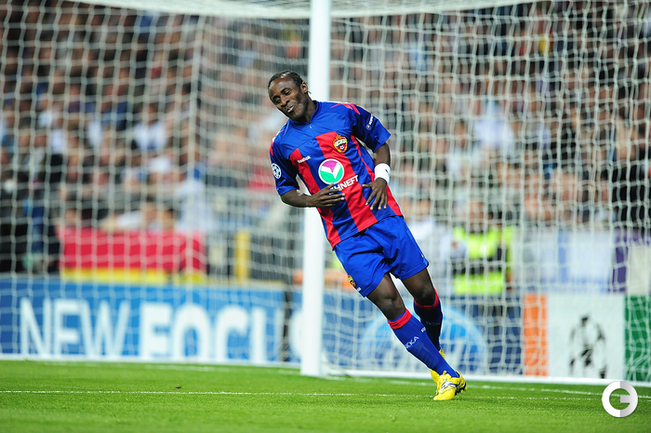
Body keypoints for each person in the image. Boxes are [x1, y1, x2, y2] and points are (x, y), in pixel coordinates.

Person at [267, 70, 466, 400]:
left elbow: (380, 143)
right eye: (277, 100)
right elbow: (285, 190)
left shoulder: (344, 112)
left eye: (287, 93)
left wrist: (381, 178)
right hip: (346, 237)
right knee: (389, 302)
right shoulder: (281, 144)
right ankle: (446, 374)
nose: (284, 102)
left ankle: (435, 353)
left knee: (424, 293)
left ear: (303, 87)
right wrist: (311, 200)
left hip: (383, 216)